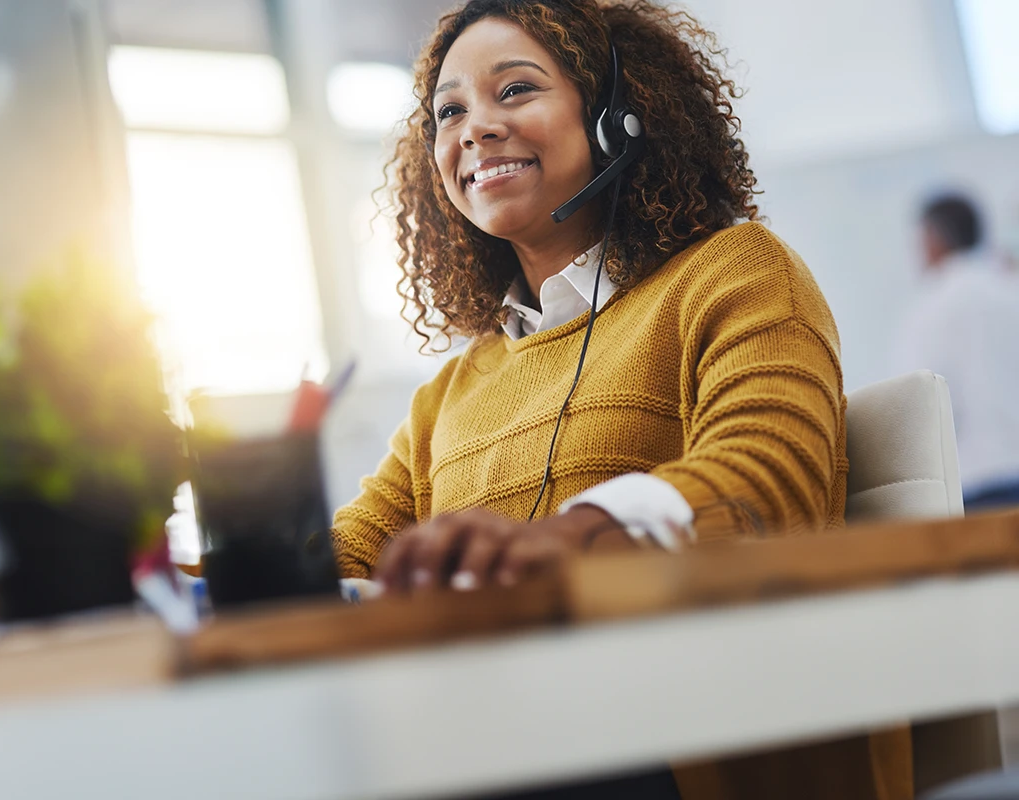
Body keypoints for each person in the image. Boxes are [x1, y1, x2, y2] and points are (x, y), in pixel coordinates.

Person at [329, 1, 897, 797]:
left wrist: (577, 535)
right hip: (501, 746)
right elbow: (351, 554)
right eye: (448, 112)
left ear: (618, 115)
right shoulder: (451, 394)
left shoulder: (736, 272)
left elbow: (772, 477)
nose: (475, 128)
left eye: (515, 90)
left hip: (692, 749)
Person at [892, 193, 1019, 510]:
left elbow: (918, 408)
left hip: (976, 488)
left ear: (932, 239)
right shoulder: (1010, 289)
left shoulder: (931, 306)